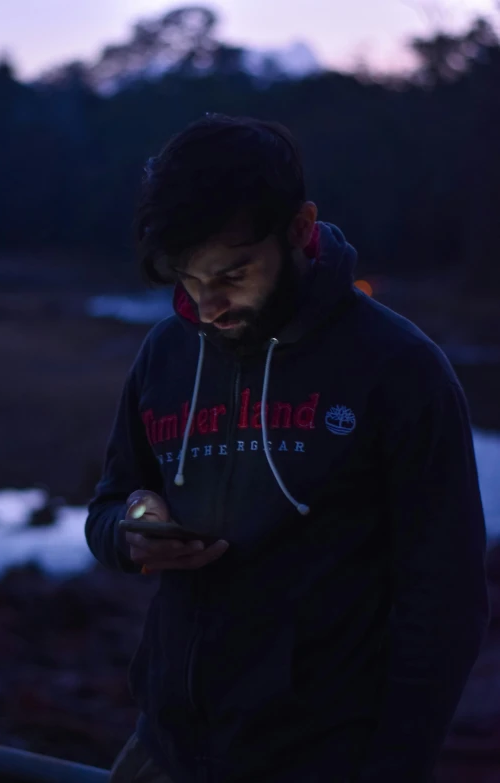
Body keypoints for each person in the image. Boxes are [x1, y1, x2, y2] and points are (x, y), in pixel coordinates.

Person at [85, 114, 490, 783]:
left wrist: (393, 767)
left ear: (300, 230)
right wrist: (131, 534)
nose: (207, 305)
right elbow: (106, 506)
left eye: (232, 273)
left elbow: (445, 604)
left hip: (322, 759)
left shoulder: (400, 368)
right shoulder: (165, 353)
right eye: (187, 278)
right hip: (167, 747)